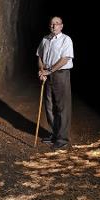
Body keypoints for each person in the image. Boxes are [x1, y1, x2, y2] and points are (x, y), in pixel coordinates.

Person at [36, 16, 74, 149]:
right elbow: (40, 56)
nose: (54, 26)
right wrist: (42, 70)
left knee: (62, 106)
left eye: (56, 24)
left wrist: (49, 70)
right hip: (48, 74)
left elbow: (64, 59)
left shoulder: (66, 39)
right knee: (49, 105)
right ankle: (55, 134)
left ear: (61, 26)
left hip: (60, 75)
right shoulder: (45, 39)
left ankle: (62, 139)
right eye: (52, 24)